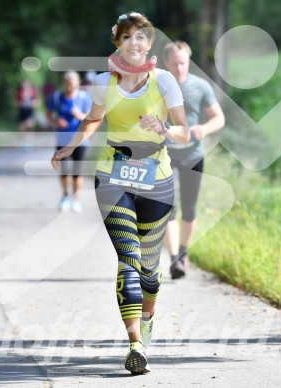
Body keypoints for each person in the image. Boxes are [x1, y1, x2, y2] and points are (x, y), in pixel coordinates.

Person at [51, 12, 189, 375]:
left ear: (149, 44)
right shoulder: (102, 82)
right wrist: (70, 146)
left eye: (140, 37)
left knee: (150, 272)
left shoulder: (164, 82)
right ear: (118, 43)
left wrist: (164, 127)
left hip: (157, 179)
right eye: (127, 37)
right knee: (128, 260)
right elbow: (93, 119)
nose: (134, 43)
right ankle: (135, 345)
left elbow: (185, 133)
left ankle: (148, 318)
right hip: (113, 175)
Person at [162, 41, 225, 279]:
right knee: (168, 208)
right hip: (165, 155)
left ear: (188, 62)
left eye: (183, 63)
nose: (180, 68)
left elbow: (219, 118)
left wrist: (205, 129)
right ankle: (175, 259)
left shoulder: (201, 87)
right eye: (175, 64)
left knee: (189, 208)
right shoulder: (157, 88)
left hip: (193, 154)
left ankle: (183, 251)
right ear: (166, 63)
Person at [46, 71, 92, 212]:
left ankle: (75, 199)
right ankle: (65, 196)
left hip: (81, 140)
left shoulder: (84, 98)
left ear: (77, 83)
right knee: (65, 170)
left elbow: (92, 117)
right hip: (63, 139)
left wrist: (80, 115)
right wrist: (55, 121)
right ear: (64, 83)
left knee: (77, 172)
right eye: (67, 84)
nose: (70, 87)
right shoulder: (56, 97)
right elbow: (48, 114)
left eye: (73, 84)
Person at [14, 80, 39, 148]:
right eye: (23, 86)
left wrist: (33, 104)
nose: (25, 87)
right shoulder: (19, 93)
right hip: (22, 112)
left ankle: (29, 143)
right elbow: (15, 103)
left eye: (26, 86)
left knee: (30, 126)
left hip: (30, 112)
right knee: (22, 128)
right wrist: (20, 103)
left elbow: (37, 102)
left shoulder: (33, 93)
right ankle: (23, 140)